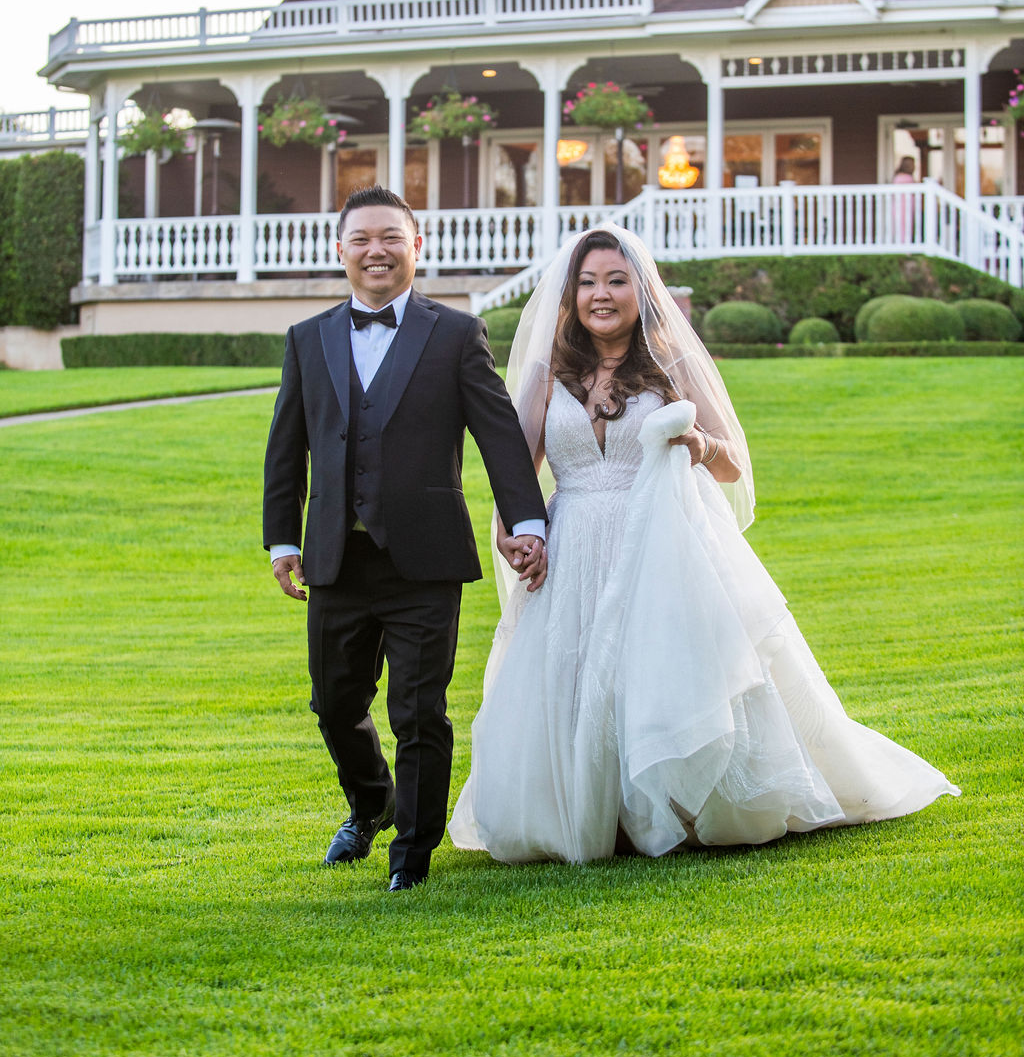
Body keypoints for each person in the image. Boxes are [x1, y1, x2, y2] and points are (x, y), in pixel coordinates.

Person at [449, 225, 958, 862]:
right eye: (588, 282)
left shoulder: (672, 363)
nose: (601, 294)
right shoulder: (547, 373)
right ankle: (597, 811)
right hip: (574, 540)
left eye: (616, 280)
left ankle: (683, 807)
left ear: (641, 289)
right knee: (579, 675)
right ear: (570, 295)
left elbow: (732, 463)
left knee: (662, 669)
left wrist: (697, 445)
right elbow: (515, 471)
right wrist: (514, 535)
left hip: (662, 542)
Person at [263, 186, 547, 890]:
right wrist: (282, 540)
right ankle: (372, 804)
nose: (377, 251)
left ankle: (412, 856)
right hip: (337, 558)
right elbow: (286, 444)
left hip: (425, 559)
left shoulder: (456, 334)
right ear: (340, 250)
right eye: (361, 239)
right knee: (335, 705)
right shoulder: (307, 338)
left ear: (417, 247)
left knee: (419, 712)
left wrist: (527, 520)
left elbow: (498, 434)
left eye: (391, 237)